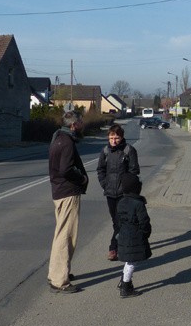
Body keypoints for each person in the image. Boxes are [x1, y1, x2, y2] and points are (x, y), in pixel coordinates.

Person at [47, 110, 88, 294]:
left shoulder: (58, 137)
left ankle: (59, 272)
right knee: (66, 236)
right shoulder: (67, 142)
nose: (82, 125)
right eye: (80, 122)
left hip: (59, 191)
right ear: (73, 125)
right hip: (67, 192)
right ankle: (59, 280)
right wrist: (82, 179)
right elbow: (66, 169)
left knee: (61, 234)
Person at [97, 124, 140, 261]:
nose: (114, 141)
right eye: (111, 138)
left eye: (117, 138)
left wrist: (128, 188)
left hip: (124, 194)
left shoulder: (129, 150)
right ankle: (121, 243)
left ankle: (113, 248)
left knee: (121, 221)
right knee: (116, 222)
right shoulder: (105, 151)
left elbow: (134, 171)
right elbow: (100, 170)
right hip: (110, 193)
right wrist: (104, 184)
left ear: (121, 137)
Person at [115, 172, 152, 298]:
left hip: (124, 236)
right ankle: (125, 287)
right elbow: (144, 222)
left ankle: (124, 282)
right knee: (131, 263)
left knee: (129, 262)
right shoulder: (138, 204)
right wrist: (145, 234)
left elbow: (118, 221)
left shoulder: (120, 202)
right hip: (135, 237)